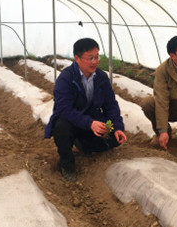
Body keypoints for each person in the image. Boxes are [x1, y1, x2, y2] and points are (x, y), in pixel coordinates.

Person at [44, 38, 127, 182]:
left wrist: (117, 127)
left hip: (92, 120)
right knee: (61, 128)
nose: (95, 62)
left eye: (97, 57)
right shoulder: (66, 78)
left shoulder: (101, 77)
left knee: (114, 138)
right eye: (90, 58)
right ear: (77, 58)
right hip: (72, 121)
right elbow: (64, 109)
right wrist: (90, 123)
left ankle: (84, 145)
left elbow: (110, 105)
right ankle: (67, 165)